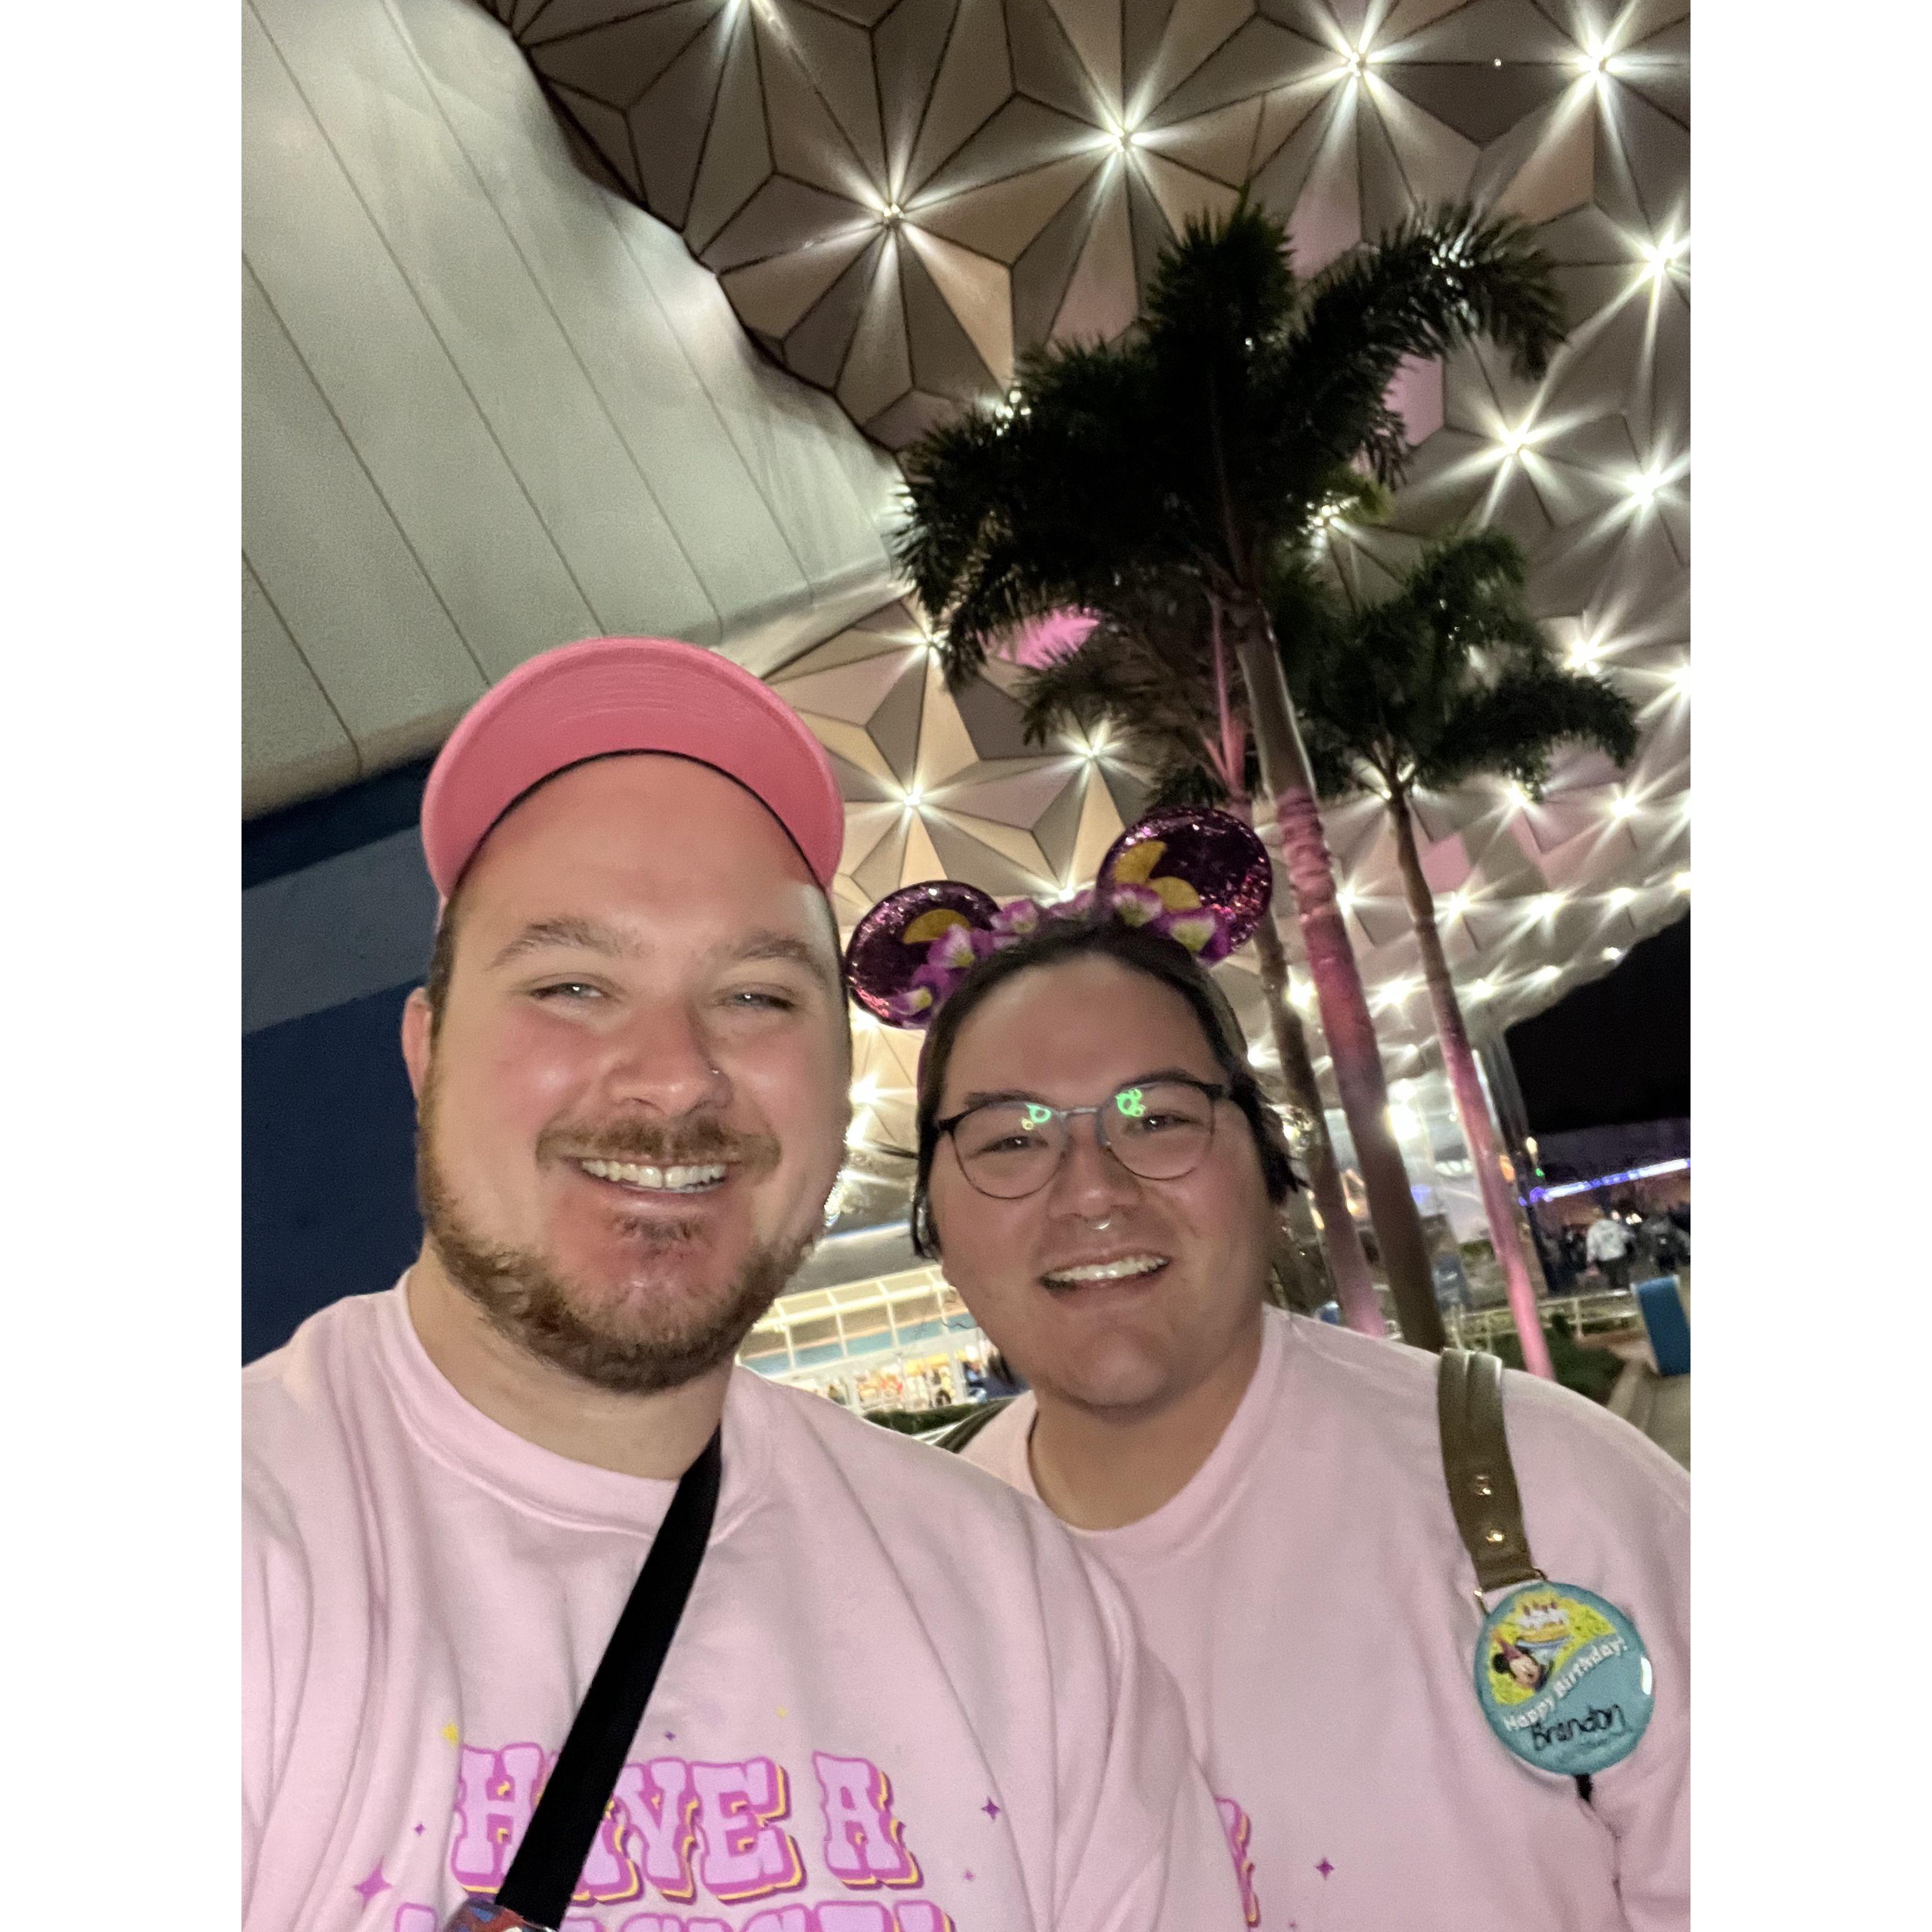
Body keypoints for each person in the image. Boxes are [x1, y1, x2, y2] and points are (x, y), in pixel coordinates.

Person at [243, 638, 1248, 1931]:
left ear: (839, 1080)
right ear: (425, 1055)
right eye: (571, 984)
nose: (673, 1073)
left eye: (757, 994)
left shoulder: (1021, 1615)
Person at [914, 915, 1689, 1932]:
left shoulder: (1550, 1490)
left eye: (1157, 1118)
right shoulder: (909, 1569)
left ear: (1269, 1172)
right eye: (1011, 1139)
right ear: (935, 1223)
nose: (1092, 1190)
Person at [1587, 1199, 1638, 1289]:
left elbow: (1592, 1247)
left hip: (1606, 1258)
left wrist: (1590, 1260)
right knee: (1624, 1276)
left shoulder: (1593, 1230)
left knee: (1613, 1279)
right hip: (1620, 1254)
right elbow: (1625, 1237)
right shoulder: (1613, 1225)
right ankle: (1627, 1291)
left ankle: (1616, 1292)